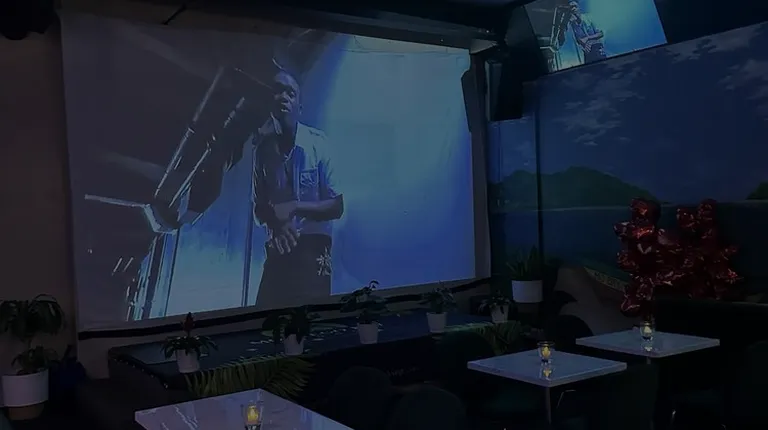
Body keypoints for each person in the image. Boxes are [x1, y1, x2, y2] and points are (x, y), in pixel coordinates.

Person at [251, 59, 344, 309]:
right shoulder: (262, 152)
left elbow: (337, 206)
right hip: (277, 249)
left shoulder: (319, 143)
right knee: (266, 319)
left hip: (314, 249)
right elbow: (259, 209)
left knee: (311, 321)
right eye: (277, 91)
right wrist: (276, 223)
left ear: (299, 107)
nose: (283, 97)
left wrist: (294, 207)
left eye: (290, 93)